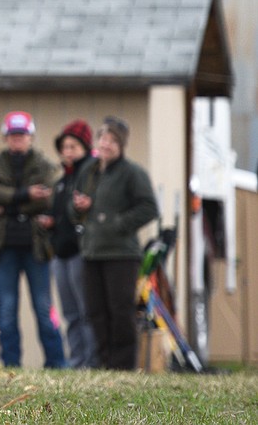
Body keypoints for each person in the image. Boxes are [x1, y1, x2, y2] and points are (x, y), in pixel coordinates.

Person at [0, 110, 66, 368]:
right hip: (3, 248)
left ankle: (57, 363)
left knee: (43, 307)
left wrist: (7, 207)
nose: (18, 140)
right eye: (14, 135)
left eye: (23, 135)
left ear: (31, 137)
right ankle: (11, 363)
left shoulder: (45, 165)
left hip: (37, 248)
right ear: (6, 137)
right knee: (6, 309)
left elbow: (49, 197)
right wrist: (27, 195)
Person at [71, 116, 159, 370]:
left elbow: (149, 207)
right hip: (91, 252)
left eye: (112, 140)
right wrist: (78, 208)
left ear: (121, 145)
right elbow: (73, 204)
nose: (106, 144)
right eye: (102, 138)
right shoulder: (89, 171)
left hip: (122, 255)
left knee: (120, 312)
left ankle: (123, 366)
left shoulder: (133, 173)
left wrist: (118, 223)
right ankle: (102, 363)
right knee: (95, 313)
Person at [42, 119, 98, 368]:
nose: (68, 151)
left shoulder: (90, 173)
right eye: (65, 146)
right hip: (60, 252)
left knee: (86, 311)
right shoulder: (63, 178)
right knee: (70, 313)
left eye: (74, 146)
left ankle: (91, 361)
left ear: (85, 147)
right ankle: (76, 361)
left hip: (80, 252)